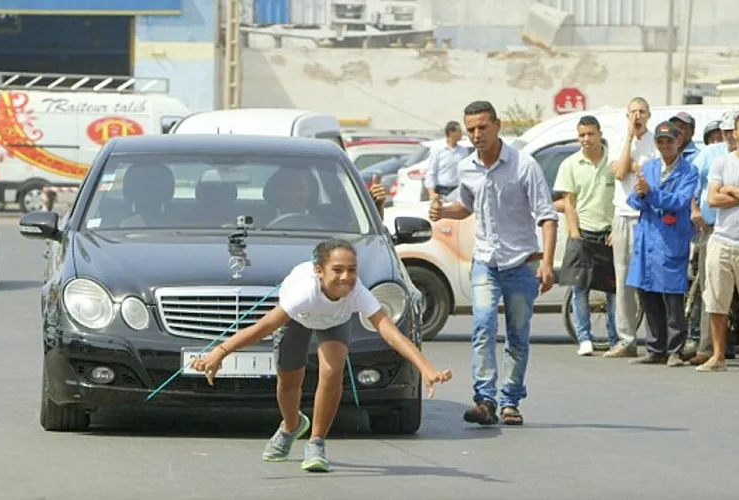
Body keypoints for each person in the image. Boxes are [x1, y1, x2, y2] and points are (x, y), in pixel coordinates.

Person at [190, 239, 453, 472]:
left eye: (352, 270)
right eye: (337, 270)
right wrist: (220, 352)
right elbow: (264, 327)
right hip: (298, 319)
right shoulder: (304, 293)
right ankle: (291, 426)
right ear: (319, 271)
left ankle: (316, 442)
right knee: (289, 380)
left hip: (334, 323)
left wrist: (426, 368)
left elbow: (390, 332)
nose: (345, 277)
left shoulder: (357, 292)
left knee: (331, 369)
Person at [429, 100, 557, 426]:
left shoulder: (524, 165)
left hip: (521, 262)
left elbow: (547, 216)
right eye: (471, 129)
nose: (477, 135)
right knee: (483, 324)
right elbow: (465, 206)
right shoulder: (466, 167)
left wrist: (547, 263)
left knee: (517, 334)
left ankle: (510, 401)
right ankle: (484, 400)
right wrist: (443, 211)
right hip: (485, 261)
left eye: (483, 127)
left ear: (497, 126)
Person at [625, 121, 698, 367]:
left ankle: (675, 349)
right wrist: (641, 194)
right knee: (648, 294)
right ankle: (655, 348)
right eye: (660, 141)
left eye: (670, 140)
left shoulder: (688, 171)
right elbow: (634, 200)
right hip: (648, 237)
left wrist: (651, 194)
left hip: (670, 238)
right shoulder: (650, 167)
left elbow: (679, 201)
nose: (665, 145)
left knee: (672, 297)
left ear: (679, 141)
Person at [696, 113, 739, 373]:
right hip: (721, 241)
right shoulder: (721, 162)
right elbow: (713, 200)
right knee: (716, 301)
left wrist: (730, 190)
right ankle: (718, 356)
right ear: (735, 134)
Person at [554, 115, 617, 356]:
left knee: (613, 291)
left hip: (610, 234)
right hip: (582, 233)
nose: (586, 139)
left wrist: (616, 229)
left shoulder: (614, 161)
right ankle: (584, 338)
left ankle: (615, 338)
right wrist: (574, 232)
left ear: (600, 133)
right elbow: (568, 202)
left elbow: (621, 198)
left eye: (590, 134)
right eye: (582, 135)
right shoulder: (570, 164)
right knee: (579, 289)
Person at [605, 97, 659, 358]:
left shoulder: (656, 141)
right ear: (627, 115)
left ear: (649, 115)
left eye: (642, 112)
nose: (637, 116)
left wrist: (634, 167)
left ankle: (656, 340)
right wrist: (628, 140)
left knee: (650, 279)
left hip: (647, 216)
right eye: (633, 112)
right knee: (623, 279)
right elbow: (619, 172)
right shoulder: (618, 139)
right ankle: (626, 339)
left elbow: (654, 175)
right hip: (623, 215)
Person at [686, 110, 739, 365]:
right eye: (725, 132)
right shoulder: (711, 153)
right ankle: (708, 348)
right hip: (712, 229)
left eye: (732, 132)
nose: (729, 137)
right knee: (711, 288)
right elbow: (690, 180)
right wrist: (694, 209)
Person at [424, 121, 470, 200]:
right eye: (459, 131)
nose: (461, 134)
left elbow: (466, 172)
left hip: (457, 190)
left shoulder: (463, 151)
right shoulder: (438, 150)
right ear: (451, 133)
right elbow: (431, 172)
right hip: (441, 190)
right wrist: (431, 193)